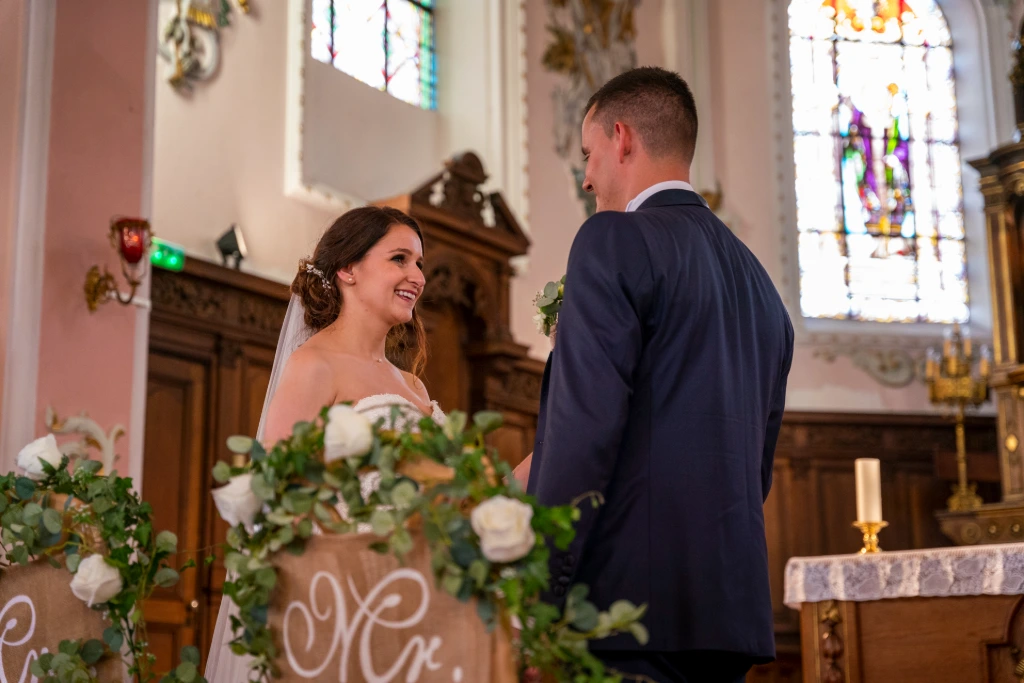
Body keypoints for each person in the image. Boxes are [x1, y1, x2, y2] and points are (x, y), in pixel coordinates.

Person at [523, 67, 794, 682]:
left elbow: (581, 437)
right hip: (728, 618)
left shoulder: (612, 240)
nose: (588, 177)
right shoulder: (761, 286)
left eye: (589, 155)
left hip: (623, 615)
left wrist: (536, 600)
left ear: (622, 138)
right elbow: (756, 466)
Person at [204, 205, 447, 682]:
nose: (416, 276)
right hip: (343, 603)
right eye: (399, 258)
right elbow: (276, 503)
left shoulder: (413, 387)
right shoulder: (314, 366)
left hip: (417, 600)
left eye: (419, 263)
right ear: (347, 269)